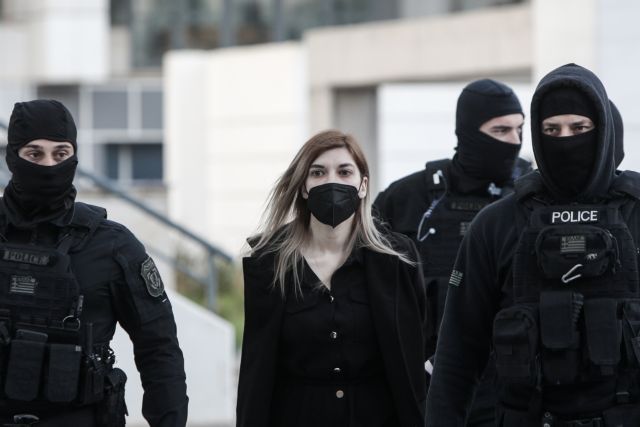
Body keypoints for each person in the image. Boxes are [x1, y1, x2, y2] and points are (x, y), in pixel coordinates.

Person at [426, 63, 640, 427]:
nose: (565, 140)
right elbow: (457, 356)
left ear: (603, 130)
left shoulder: (635, 214)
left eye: (579, 128)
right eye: (552, 130)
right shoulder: (496, 224)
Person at [0, 100, 188, 426]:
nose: (49, 165)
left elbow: (159, 349)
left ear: (74, 157)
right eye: (34, 154)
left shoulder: (112, 245)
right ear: (12, 157)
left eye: (61, 154)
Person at [237, 130, 427, 427]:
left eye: (344, 171)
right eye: (318, 172)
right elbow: (256, 369)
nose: (332, 181)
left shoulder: (397, 261)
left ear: (363, 185)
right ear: (304, 187)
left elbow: (416, 352)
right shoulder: (271, 265)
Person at [374, 79, 531, 425]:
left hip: (510, 396)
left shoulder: (531, 199)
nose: (514, 141)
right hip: (425, 391)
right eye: (501, 130)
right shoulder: (407, 200)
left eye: (520, 129)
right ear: (469, 132)